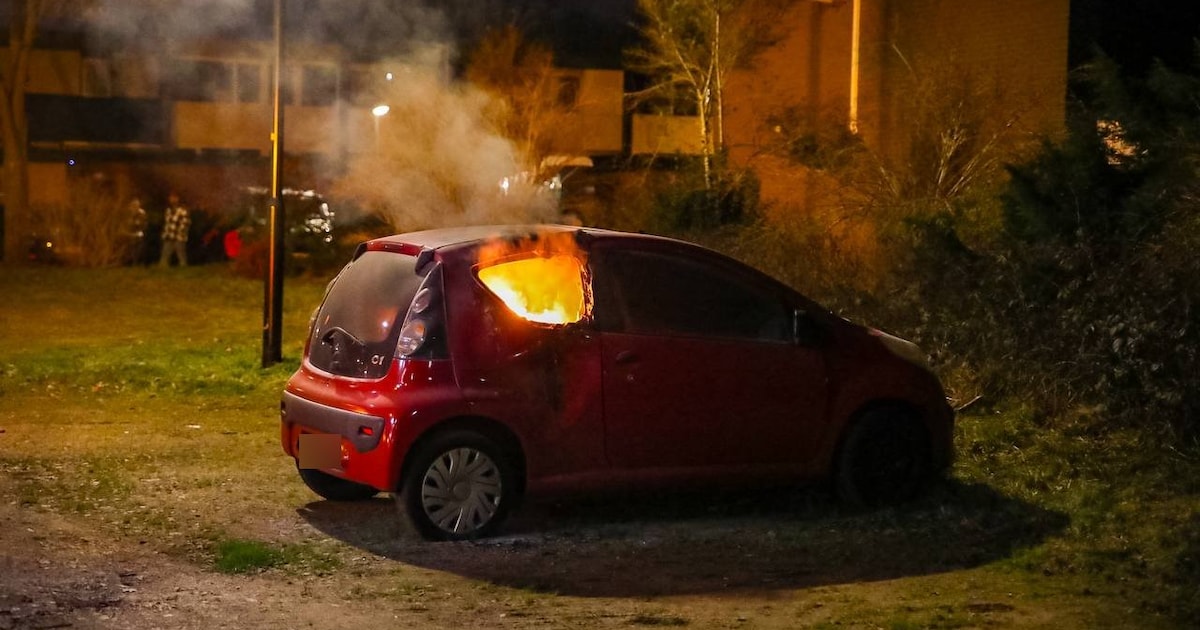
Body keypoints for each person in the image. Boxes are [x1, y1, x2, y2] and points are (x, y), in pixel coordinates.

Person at [159, 192, 190, 267]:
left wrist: (179, 233)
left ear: (177, 199)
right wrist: (165, 233)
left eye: (173, 198)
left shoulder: (183, 210)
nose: (172, 199)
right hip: (169, 235)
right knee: (165, 253)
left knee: (181, 254)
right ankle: (163, 266)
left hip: (179, 236)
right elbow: (167, 223)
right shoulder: (168, 210)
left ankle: (183, 268)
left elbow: (185, 224)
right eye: (170, 198)